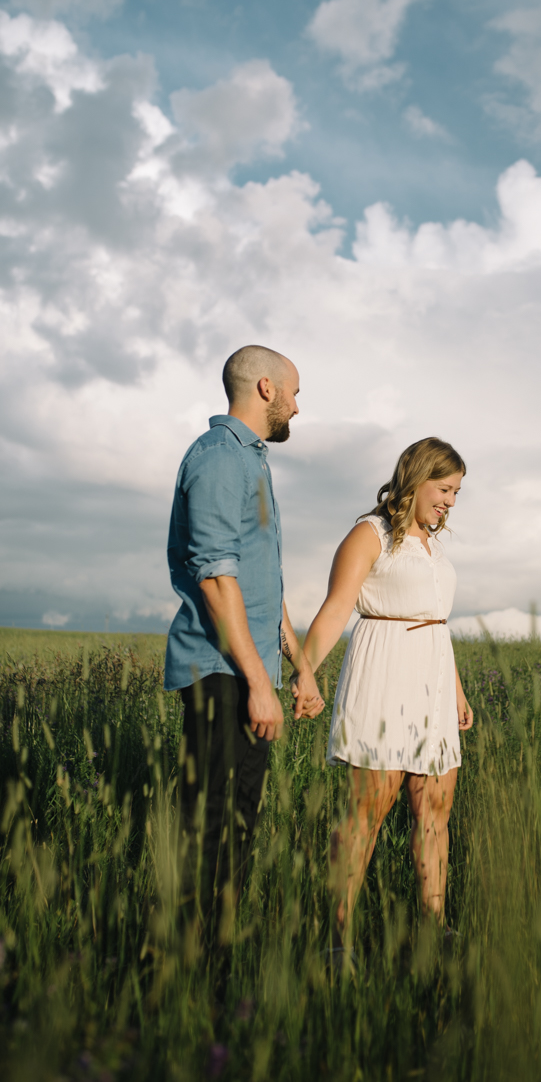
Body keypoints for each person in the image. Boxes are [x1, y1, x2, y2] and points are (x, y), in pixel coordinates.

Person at [164, 345, 324, 931]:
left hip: (251, 671)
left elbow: (261, 577)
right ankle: (183, 968)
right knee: (207, 825)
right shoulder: (217, 459)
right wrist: (259, 683)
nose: (297, 408)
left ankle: (218, 955)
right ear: (265, 388)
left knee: (238, 822)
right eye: (295, 393)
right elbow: (215, 576)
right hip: (221, 671)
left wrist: (299, 665)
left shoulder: (253, 463)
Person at [302, 437, 473, 943]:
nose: (450, 501)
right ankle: (337, 936)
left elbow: (438, 621)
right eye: (444, 488)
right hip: (383, 675)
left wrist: (457, 692)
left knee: (434, 814)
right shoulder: (370, 533)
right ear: (415, 479)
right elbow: (336, 608)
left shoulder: (433, 546)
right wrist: (305, 671)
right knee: (365, 816)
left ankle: (435, 929)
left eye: (458, 492)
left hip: (435, 683)